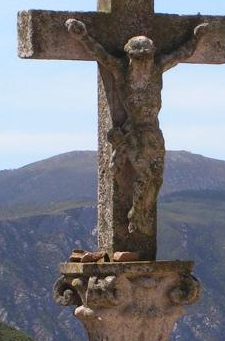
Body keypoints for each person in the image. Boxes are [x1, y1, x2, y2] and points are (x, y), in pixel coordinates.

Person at [65, 18, 208, 235]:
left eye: (146, 57)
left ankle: (140, 213)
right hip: (133, 133)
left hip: (153, 132)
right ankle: (136, 216)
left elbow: (181, 54)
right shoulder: (121, 70)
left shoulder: (157, 68)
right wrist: (82, 36)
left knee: (157, 177)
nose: (142, 62)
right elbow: (100, 54)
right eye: (137, 57)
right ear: (130, 56)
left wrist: (196, 37)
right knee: (145, 174)